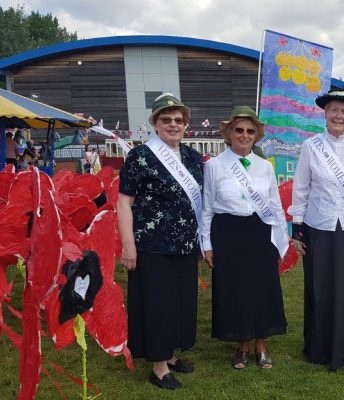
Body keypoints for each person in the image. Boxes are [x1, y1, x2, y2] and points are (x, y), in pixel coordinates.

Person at [288, 90, 344, 370]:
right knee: (322, 286)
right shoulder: (311, 146)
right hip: (320, 225)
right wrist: (297, 228)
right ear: (325, 113)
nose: (339, 116)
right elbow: (301, 187)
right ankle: (321, 346)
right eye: (334, 110)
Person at [117, 93, 203, 390]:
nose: (173, 124)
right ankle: (158, 367)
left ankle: (171, 354)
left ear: (186, 124)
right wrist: (128, 244)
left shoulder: (192, 157)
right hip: (152, 245)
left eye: (179, 120)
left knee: (180, 302)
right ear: (154, 123)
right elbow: (124, 203)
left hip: (185, 245)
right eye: (166, 119)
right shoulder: (140, 156)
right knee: (158, 304)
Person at [200, 106, 288, 370]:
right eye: (239, 130)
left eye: (250, 131)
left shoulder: (265, 167)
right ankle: (242, 346)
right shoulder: (214, 166)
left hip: (260, 232)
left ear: (256, 135)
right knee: (235, 289)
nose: (244, 135)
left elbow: (275, 205)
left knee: (262, 288)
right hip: (228, 233)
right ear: (228, 133)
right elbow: (206, 208)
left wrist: (280, 240)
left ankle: (261, 345)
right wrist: (207, 244)